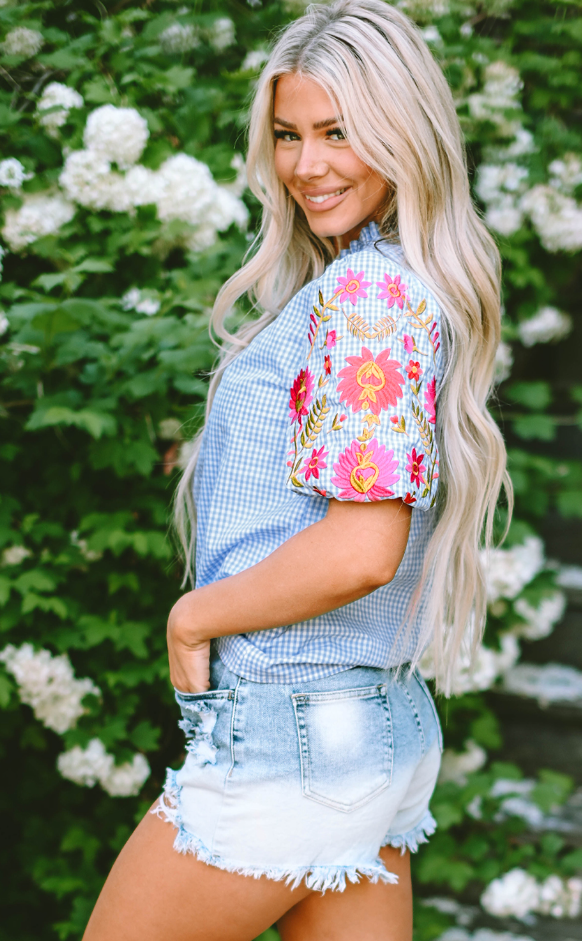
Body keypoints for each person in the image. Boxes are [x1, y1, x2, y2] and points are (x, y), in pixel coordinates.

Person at [83, 1, 509, 939]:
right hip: (375, 730)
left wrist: (192, 616)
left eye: (338, 132)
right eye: (288, 135)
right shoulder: (391, 278)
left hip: (295, 729)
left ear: (405, 134)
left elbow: (362, 545)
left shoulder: (364, 296)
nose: (307, 165)